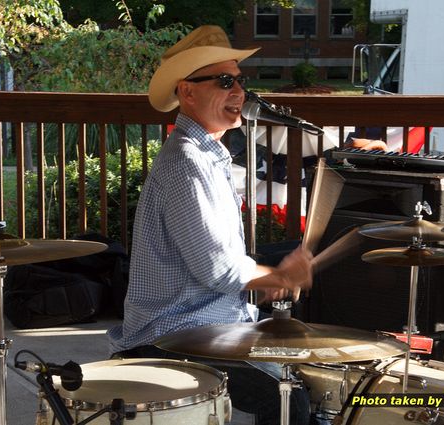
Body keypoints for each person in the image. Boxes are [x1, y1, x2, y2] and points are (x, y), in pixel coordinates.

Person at [107, 25, 314, 424]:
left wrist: (273, 275)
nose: (239, 92)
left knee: (304, 363)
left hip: (207, 322)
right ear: (188, 92)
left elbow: (222, 261)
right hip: (172, 335)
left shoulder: (207, 154)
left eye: (240, 81)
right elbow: (218, 269)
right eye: (224, 81)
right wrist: (279, 276)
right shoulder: (188, 162)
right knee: (286, 399)